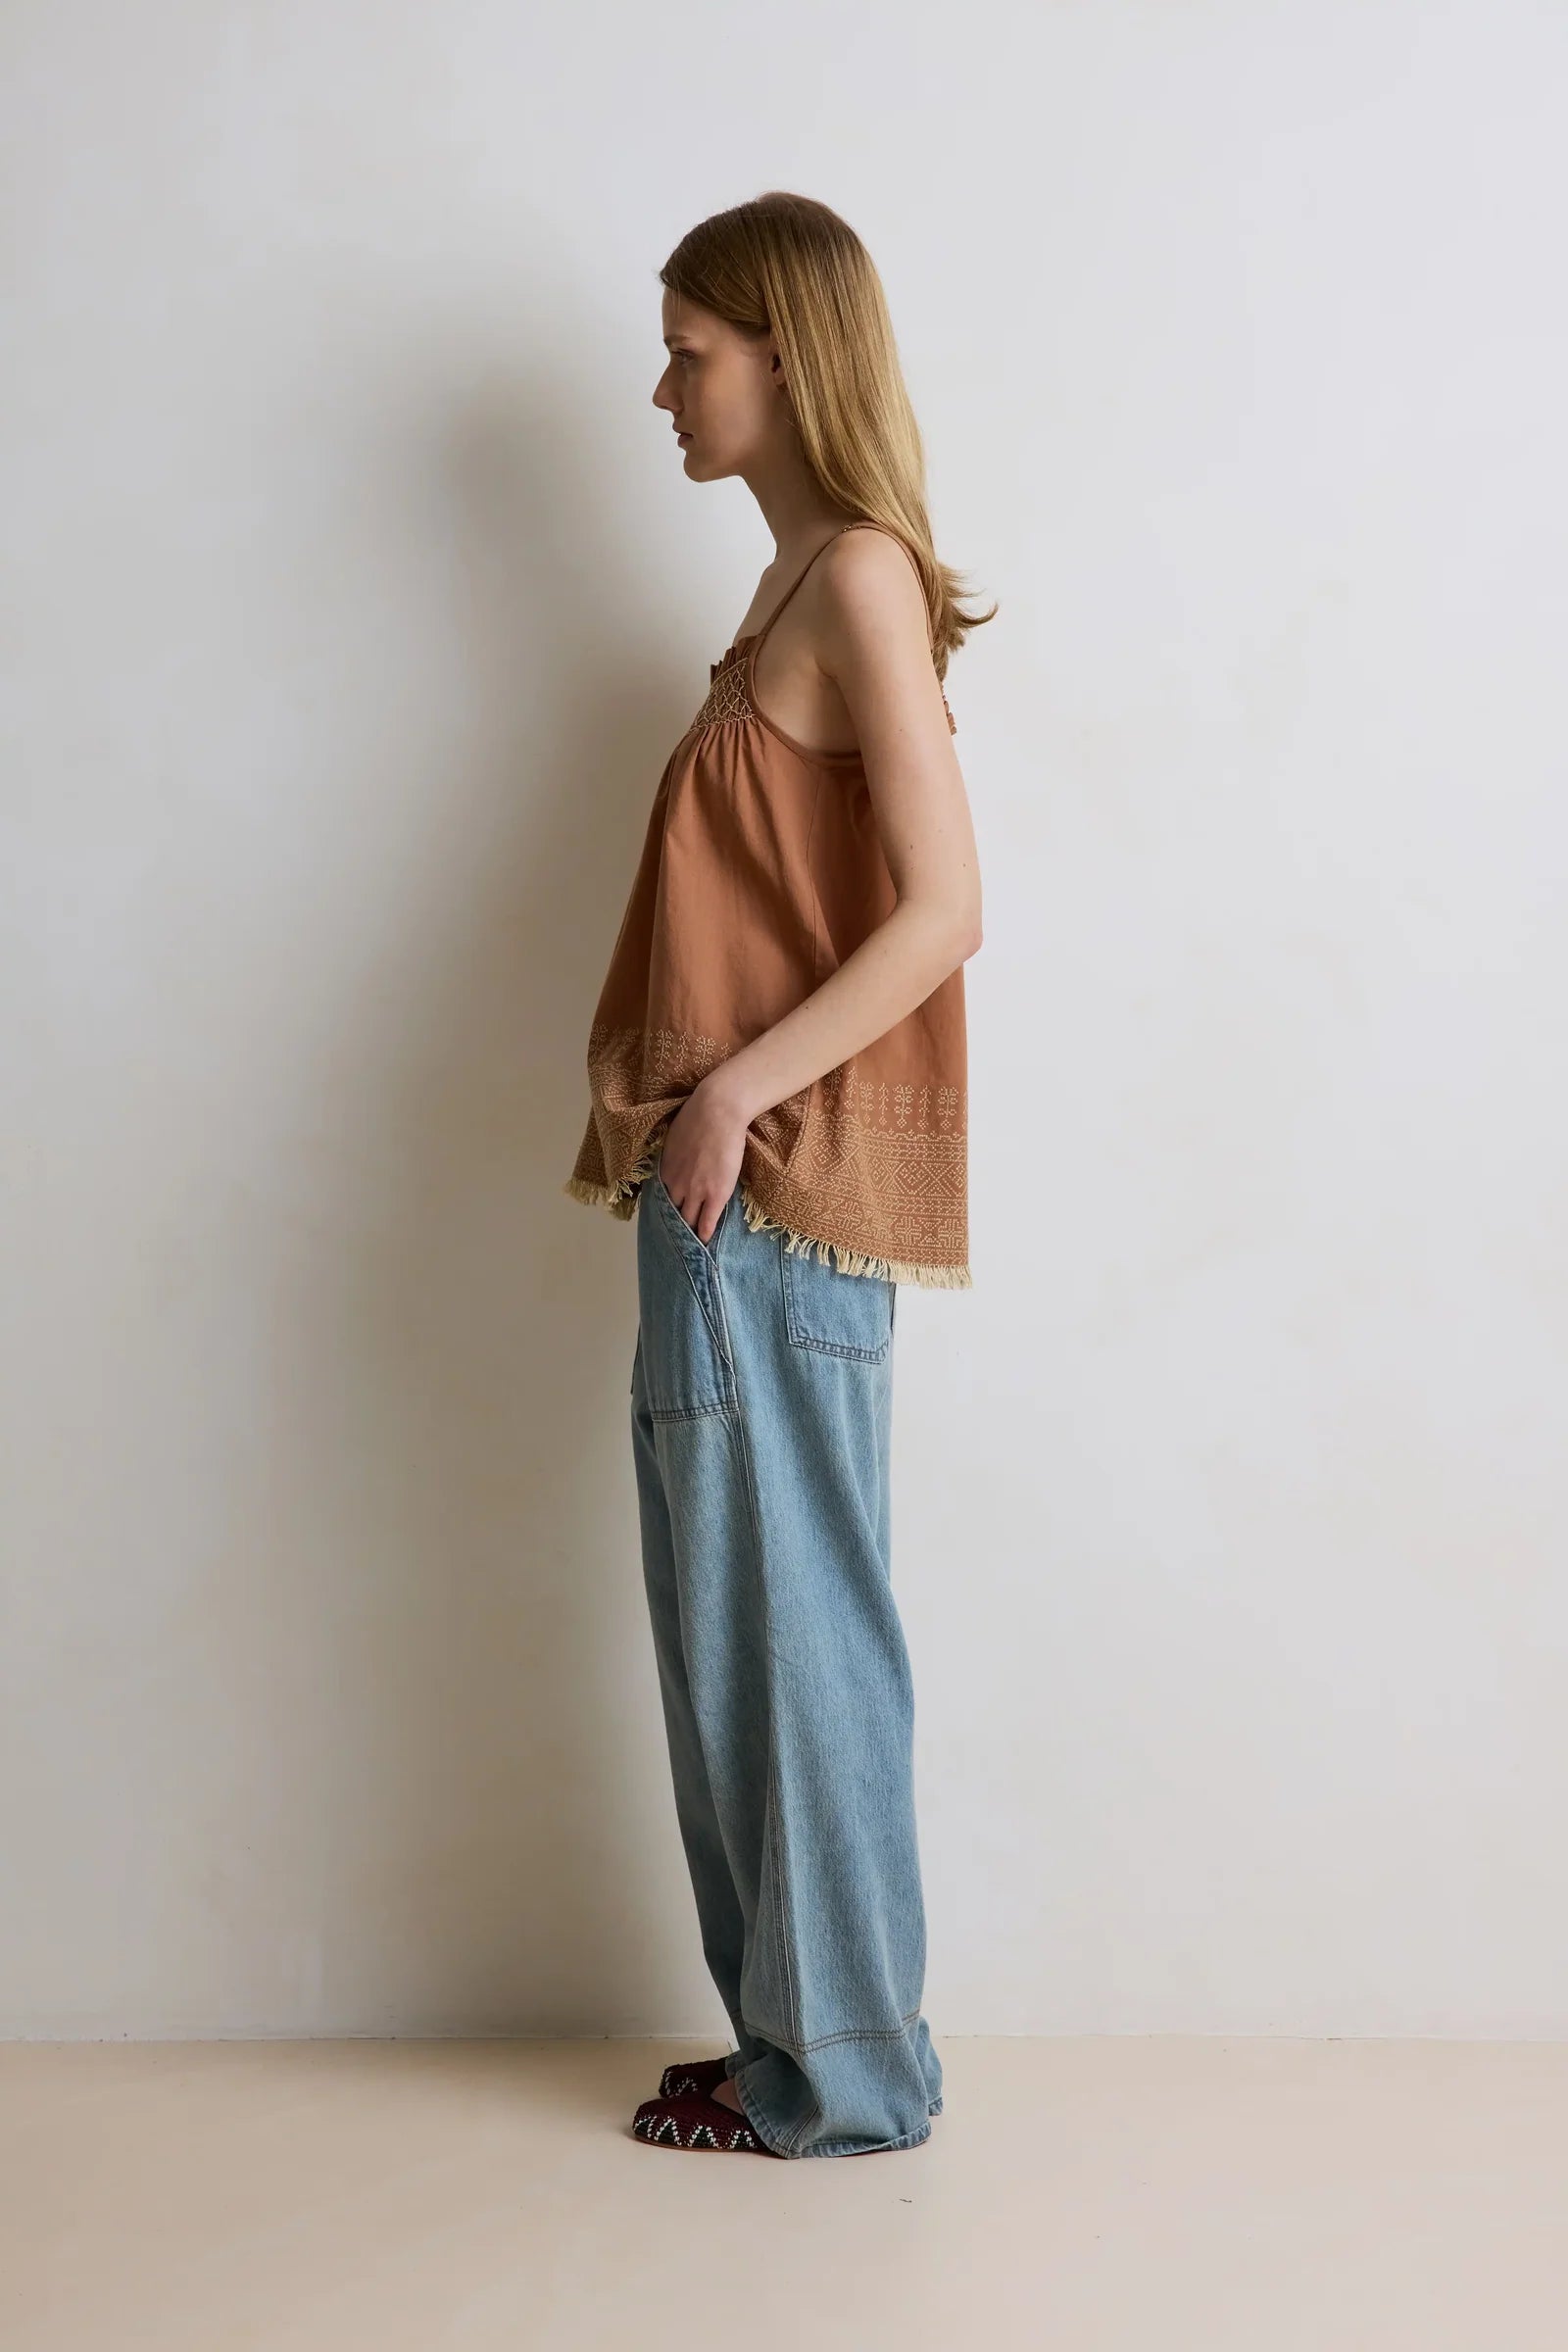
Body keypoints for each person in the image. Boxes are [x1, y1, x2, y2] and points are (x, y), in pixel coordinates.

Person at [564, 191, 992, 2158]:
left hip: (774, 1194)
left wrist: (731, 1093)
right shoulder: (792, 583)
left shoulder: (859, 582)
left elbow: (944, 906)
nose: (662, 391)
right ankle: (790, 2046)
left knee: (790, 1631)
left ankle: (848, 2075)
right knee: (735, 1631)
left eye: (689, 353)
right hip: (726, 1200)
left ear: (784, 356)